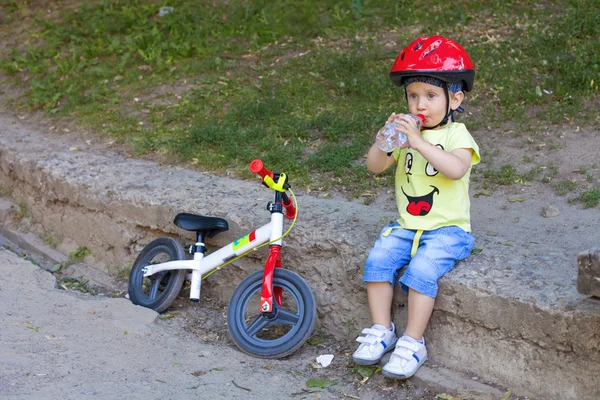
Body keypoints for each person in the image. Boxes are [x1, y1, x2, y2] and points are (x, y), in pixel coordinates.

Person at [352, 36, 480, 380]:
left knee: (423, 270)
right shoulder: (406, 134)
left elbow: (455, 169)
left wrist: (420, 142)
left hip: (448, 231)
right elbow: (374, 166)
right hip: (407, 227)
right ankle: (382, 330)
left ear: (455, 98)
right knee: (378, 260)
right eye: (413, 96)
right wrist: (384, 141)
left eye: (431, 95)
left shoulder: (458, 135)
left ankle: (413, 341)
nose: (420, 104)